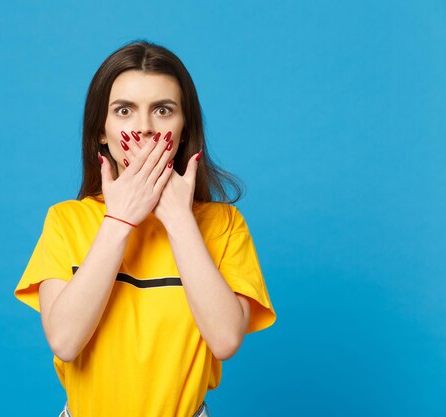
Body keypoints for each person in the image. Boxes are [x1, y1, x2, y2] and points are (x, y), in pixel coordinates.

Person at [14, 40, 277, 417]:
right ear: (100, 132)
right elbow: (66, 342)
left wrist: (179, 220)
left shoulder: (223, 225)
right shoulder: (66, 221)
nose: (144, 129)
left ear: (185, 129)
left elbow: (224, 340)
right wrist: (119, 221)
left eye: (163, 110)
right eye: (124, 111)